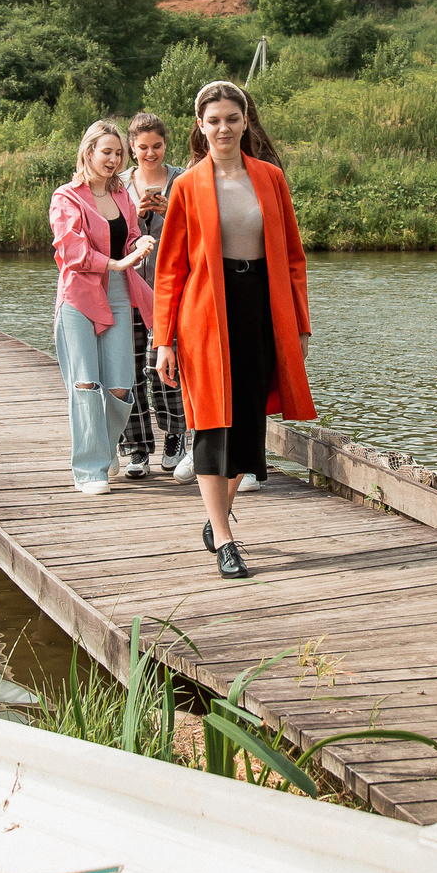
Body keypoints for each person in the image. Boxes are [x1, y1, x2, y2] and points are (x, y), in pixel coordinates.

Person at [152, 81, 314, 578]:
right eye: (214, 120)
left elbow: (292, 258)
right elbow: (170, 269)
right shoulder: (187, 185)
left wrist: (300, 327)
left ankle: (216, 510)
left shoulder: (270, 179)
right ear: (200, 126)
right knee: (211, 420)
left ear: (246, 122)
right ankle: (225, 537)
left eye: (233, 119)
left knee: (246, 420)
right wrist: (164, 342)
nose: (224, 128)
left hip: (262, 310)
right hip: (204, 315)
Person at [49, 118, 154, 495]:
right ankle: (89, 468)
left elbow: (128, 238)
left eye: (117, 154)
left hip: (119, 295)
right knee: (85, 384)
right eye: (105, 152)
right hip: (79, 297)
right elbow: (72, 251)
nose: (113, 160)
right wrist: (117, 264)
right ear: (88, 152)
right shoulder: (66, 197)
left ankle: (105, 447)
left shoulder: (123, 195)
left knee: (122, 386)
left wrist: (138, 247)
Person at [118, 112, 188, 480]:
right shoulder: (119, 184)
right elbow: (111, 236)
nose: (150, 153)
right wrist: (136, 216)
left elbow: (199, 230)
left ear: (165, 144)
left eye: (157, 146)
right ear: (132, 147)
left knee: (161, 369)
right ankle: (137, 447)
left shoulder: (181, 180)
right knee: (126, 372)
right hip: (128, 290)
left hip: (167, 291)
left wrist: (170, 213)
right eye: (143, 147)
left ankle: (176, 435)